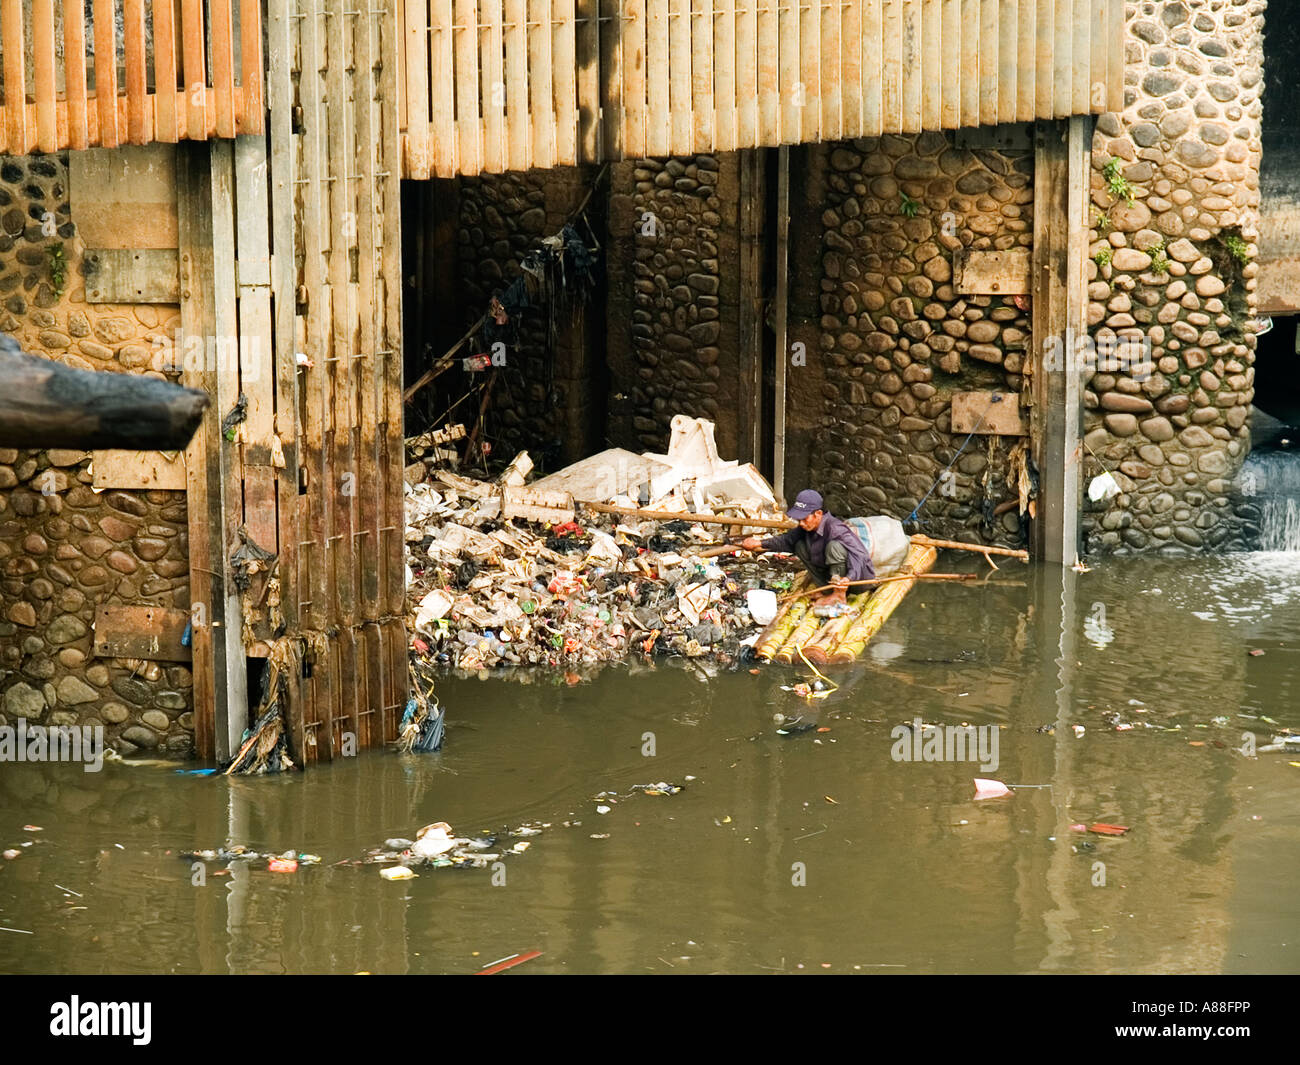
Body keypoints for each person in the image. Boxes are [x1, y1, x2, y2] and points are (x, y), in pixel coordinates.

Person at [741, 489, 874, 611]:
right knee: (799, 545)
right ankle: (826, 590)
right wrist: (759, 543)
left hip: (854, 582)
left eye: (805, 519)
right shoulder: (805, 528)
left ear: (818, 514)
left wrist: (849, 578)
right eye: (799, 520)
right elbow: (787, 540)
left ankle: (838, 596)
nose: (802, 524)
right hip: (832, 579)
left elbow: (860, 556)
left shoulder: (835, 529)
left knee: (834, 547)